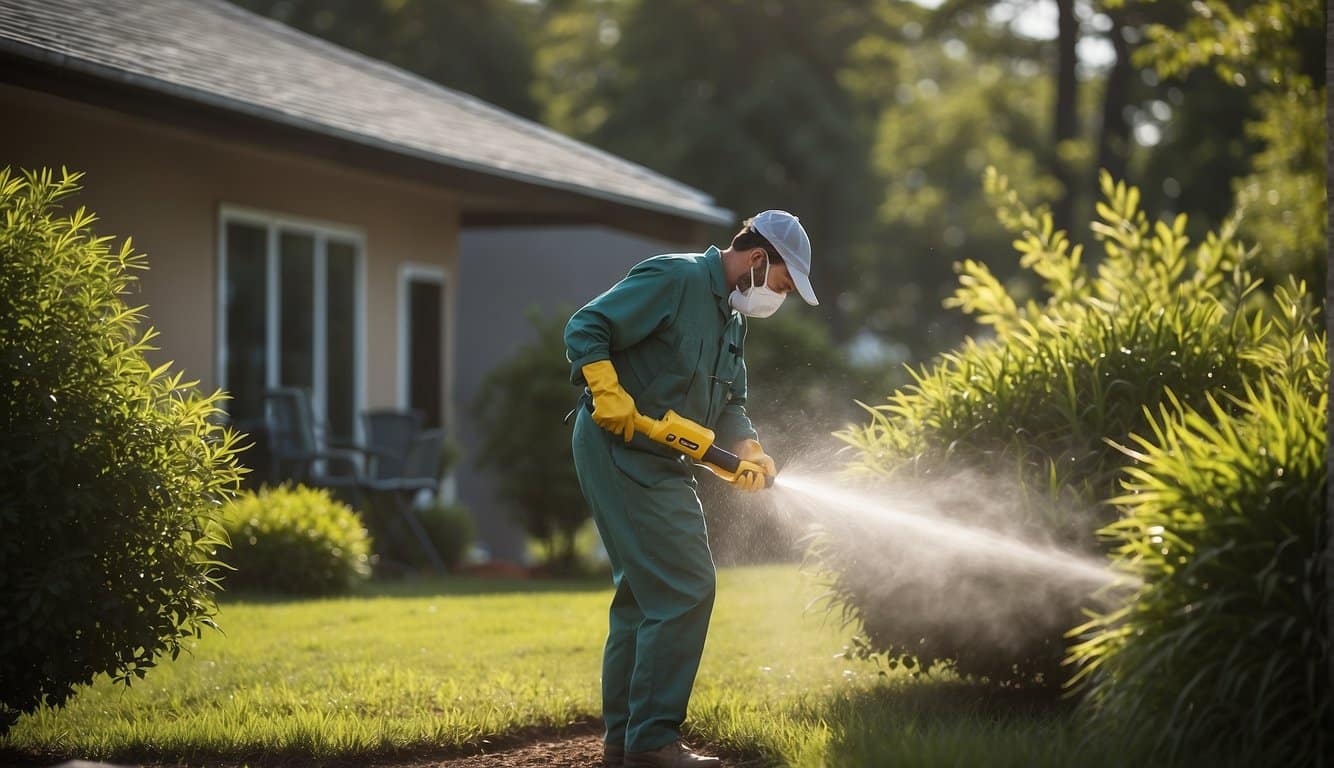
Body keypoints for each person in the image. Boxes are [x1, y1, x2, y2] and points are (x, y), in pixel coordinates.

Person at [564, 210, 818, 768]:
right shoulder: (673, 279)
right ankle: (652, 743)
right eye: (781, 283)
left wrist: (748, 451)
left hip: (663, 457)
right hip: (619, 448)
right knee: (686, 584)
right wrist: (607, 391)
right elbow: (586, 327)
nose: (780, 296)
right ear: (757, 260)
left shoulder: (733, 320)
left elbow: (731, 403)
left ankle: (626, 742)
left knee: (644, 593)